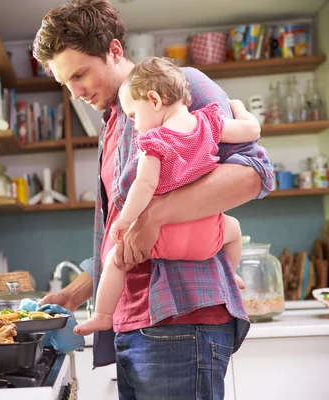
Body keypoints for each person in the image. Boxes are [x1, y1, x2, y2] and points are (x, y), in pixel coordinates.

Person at [32, 1, 274, 399]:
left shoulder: (180, 85)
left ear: (113, 51)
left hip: (181, 321)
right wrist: (75, 293)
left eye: (80, 73)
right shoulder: (113, 124)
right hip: (134, 326)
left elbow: (253, 174)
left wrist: (158, 215)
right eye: (65, 82)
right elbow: (125, 232)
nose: (75, 91)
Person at [74, 57, 260, 336]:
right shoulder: (209, 123)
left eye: (135, 115)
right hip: (208, 237)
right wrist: (240, 109)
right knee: (234, 230)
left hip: (165, 237)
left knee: (116, 259)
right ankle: (230, 273)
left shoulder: (154, 142)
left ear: (154, 99)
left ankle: (102, 315)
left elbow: (144, 185)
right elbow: (252, 130)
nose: (135, 125)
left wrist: (125, 220)